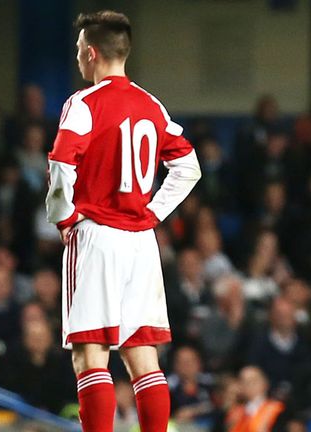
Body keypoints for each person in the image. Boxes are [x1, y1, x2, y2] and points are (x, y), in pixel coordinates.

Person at [45, 11, 201, 432]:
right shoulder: (151, 104)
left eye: (80, 51)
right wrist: (153, 211)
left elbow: (61, 166)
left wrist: (64, 220)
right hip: (141, 242)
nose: (79, 59)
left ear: (91, 53)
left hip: (96, 236)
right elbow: (188, 166)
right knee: (143, 356)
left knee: (90, 354)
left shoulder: (83, 103)